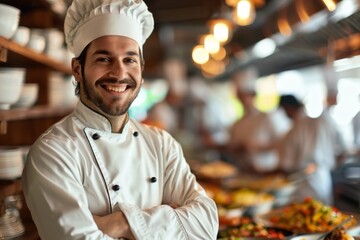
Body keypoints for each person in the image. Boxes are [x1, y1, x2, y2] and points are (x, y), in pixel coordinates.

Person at [21, 1, 218, 239]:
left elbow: (206, 224)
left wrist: (120, 224)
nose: (119, 73)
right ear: (77, 69)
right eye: (104, 59)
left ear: (142, 70)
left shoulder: (162, 145)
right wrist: (170, 221)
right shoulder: (53, 152)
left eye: (130, 60)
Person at [273, 94, 339, 205]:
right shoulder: (322, 122)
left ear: (287, 108)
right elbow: (340, 149)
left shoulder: (295, 129)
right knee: (325, 215)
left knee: (307, 215)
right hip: (323, 179)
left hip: (304, 184)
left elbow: (286, 166)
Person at [226, 69, 288, 173]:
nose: (244, 100)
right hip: (244, 173)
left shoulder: (268, 117)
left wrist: (255, 148)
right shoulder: (237, 124)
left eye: (247, 95)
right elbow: (232, 147)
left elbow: (284, 142)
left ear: (254, 95)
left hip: (267, 173)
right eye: (241, 96)